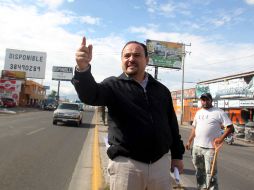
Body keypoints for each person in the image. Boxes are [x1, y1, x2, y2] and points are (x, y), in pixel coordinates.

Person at [72, 36, 185, 190]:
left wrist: (177, 156)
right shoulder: (113, 85)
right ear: (121, 61)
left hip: (160, 165)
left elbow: (172, 126)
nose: (131, 59)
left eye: (137, 55)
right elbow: (90, 95)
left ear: (147, 59)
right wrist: (83, 69)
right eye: (127, 56)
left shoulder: (162, 90)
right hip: (126, 167)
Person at [185, 92, 234, 190]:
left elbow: (230, 128)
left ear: (211, 100)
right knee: (199, 171)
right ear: (201, 101)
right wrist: (189, 141)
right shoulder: (198, 113)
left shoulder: (219, 112)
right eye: (203, 100)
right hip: (197, 147)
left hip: (210, 149)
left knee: (210, 174)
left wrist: (220, 139)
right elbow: (194, 129)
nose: (205, 102)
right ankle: (202, 188)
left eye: (207, 99)